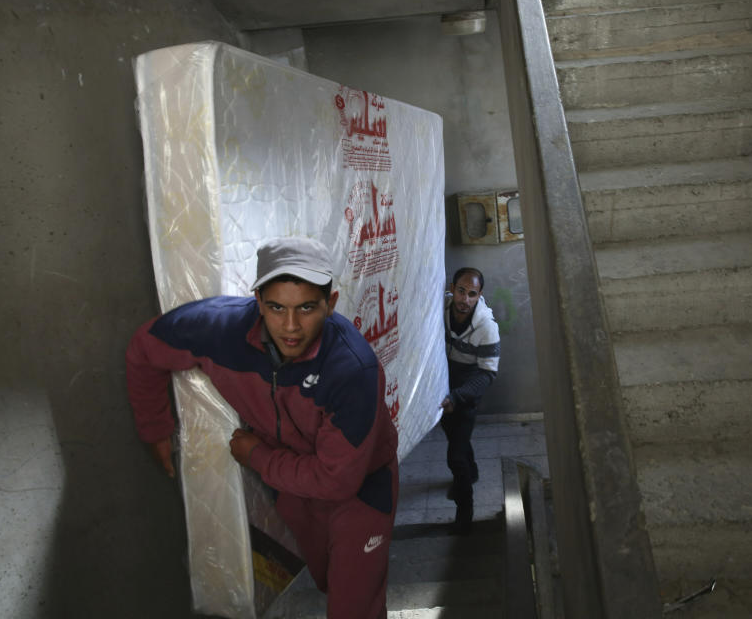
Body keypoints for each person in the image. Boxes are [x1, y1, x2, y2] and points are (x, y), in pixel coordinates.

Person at [125, 237, 398, 619]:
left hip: (360, 487)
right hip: (294, 487)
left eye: (306, 308)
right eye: (275, 307)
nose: (290, 326)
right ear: (257, 300)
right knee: (325, 578)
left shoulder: (352, 369)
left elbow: (338, 482)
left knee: (354, 604)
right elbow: (144, 347)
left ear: (330, 303)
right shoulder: (219, 330)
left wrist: (257, 455)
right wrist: (155, 427)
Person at [440, 267, 500, 535]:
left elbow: (487, 374)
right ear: (453, 287)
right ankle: (472, 470)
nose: (464, 299)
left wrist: (459, 396)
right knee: (455, 437)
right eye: (461, 291)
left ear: (480, 296)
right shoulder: (441, 307)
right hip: (444, 383)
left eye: (472, 294)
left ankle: (465, 510)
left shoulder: (487, 326)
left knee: (455, 456)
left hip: (467, 389)